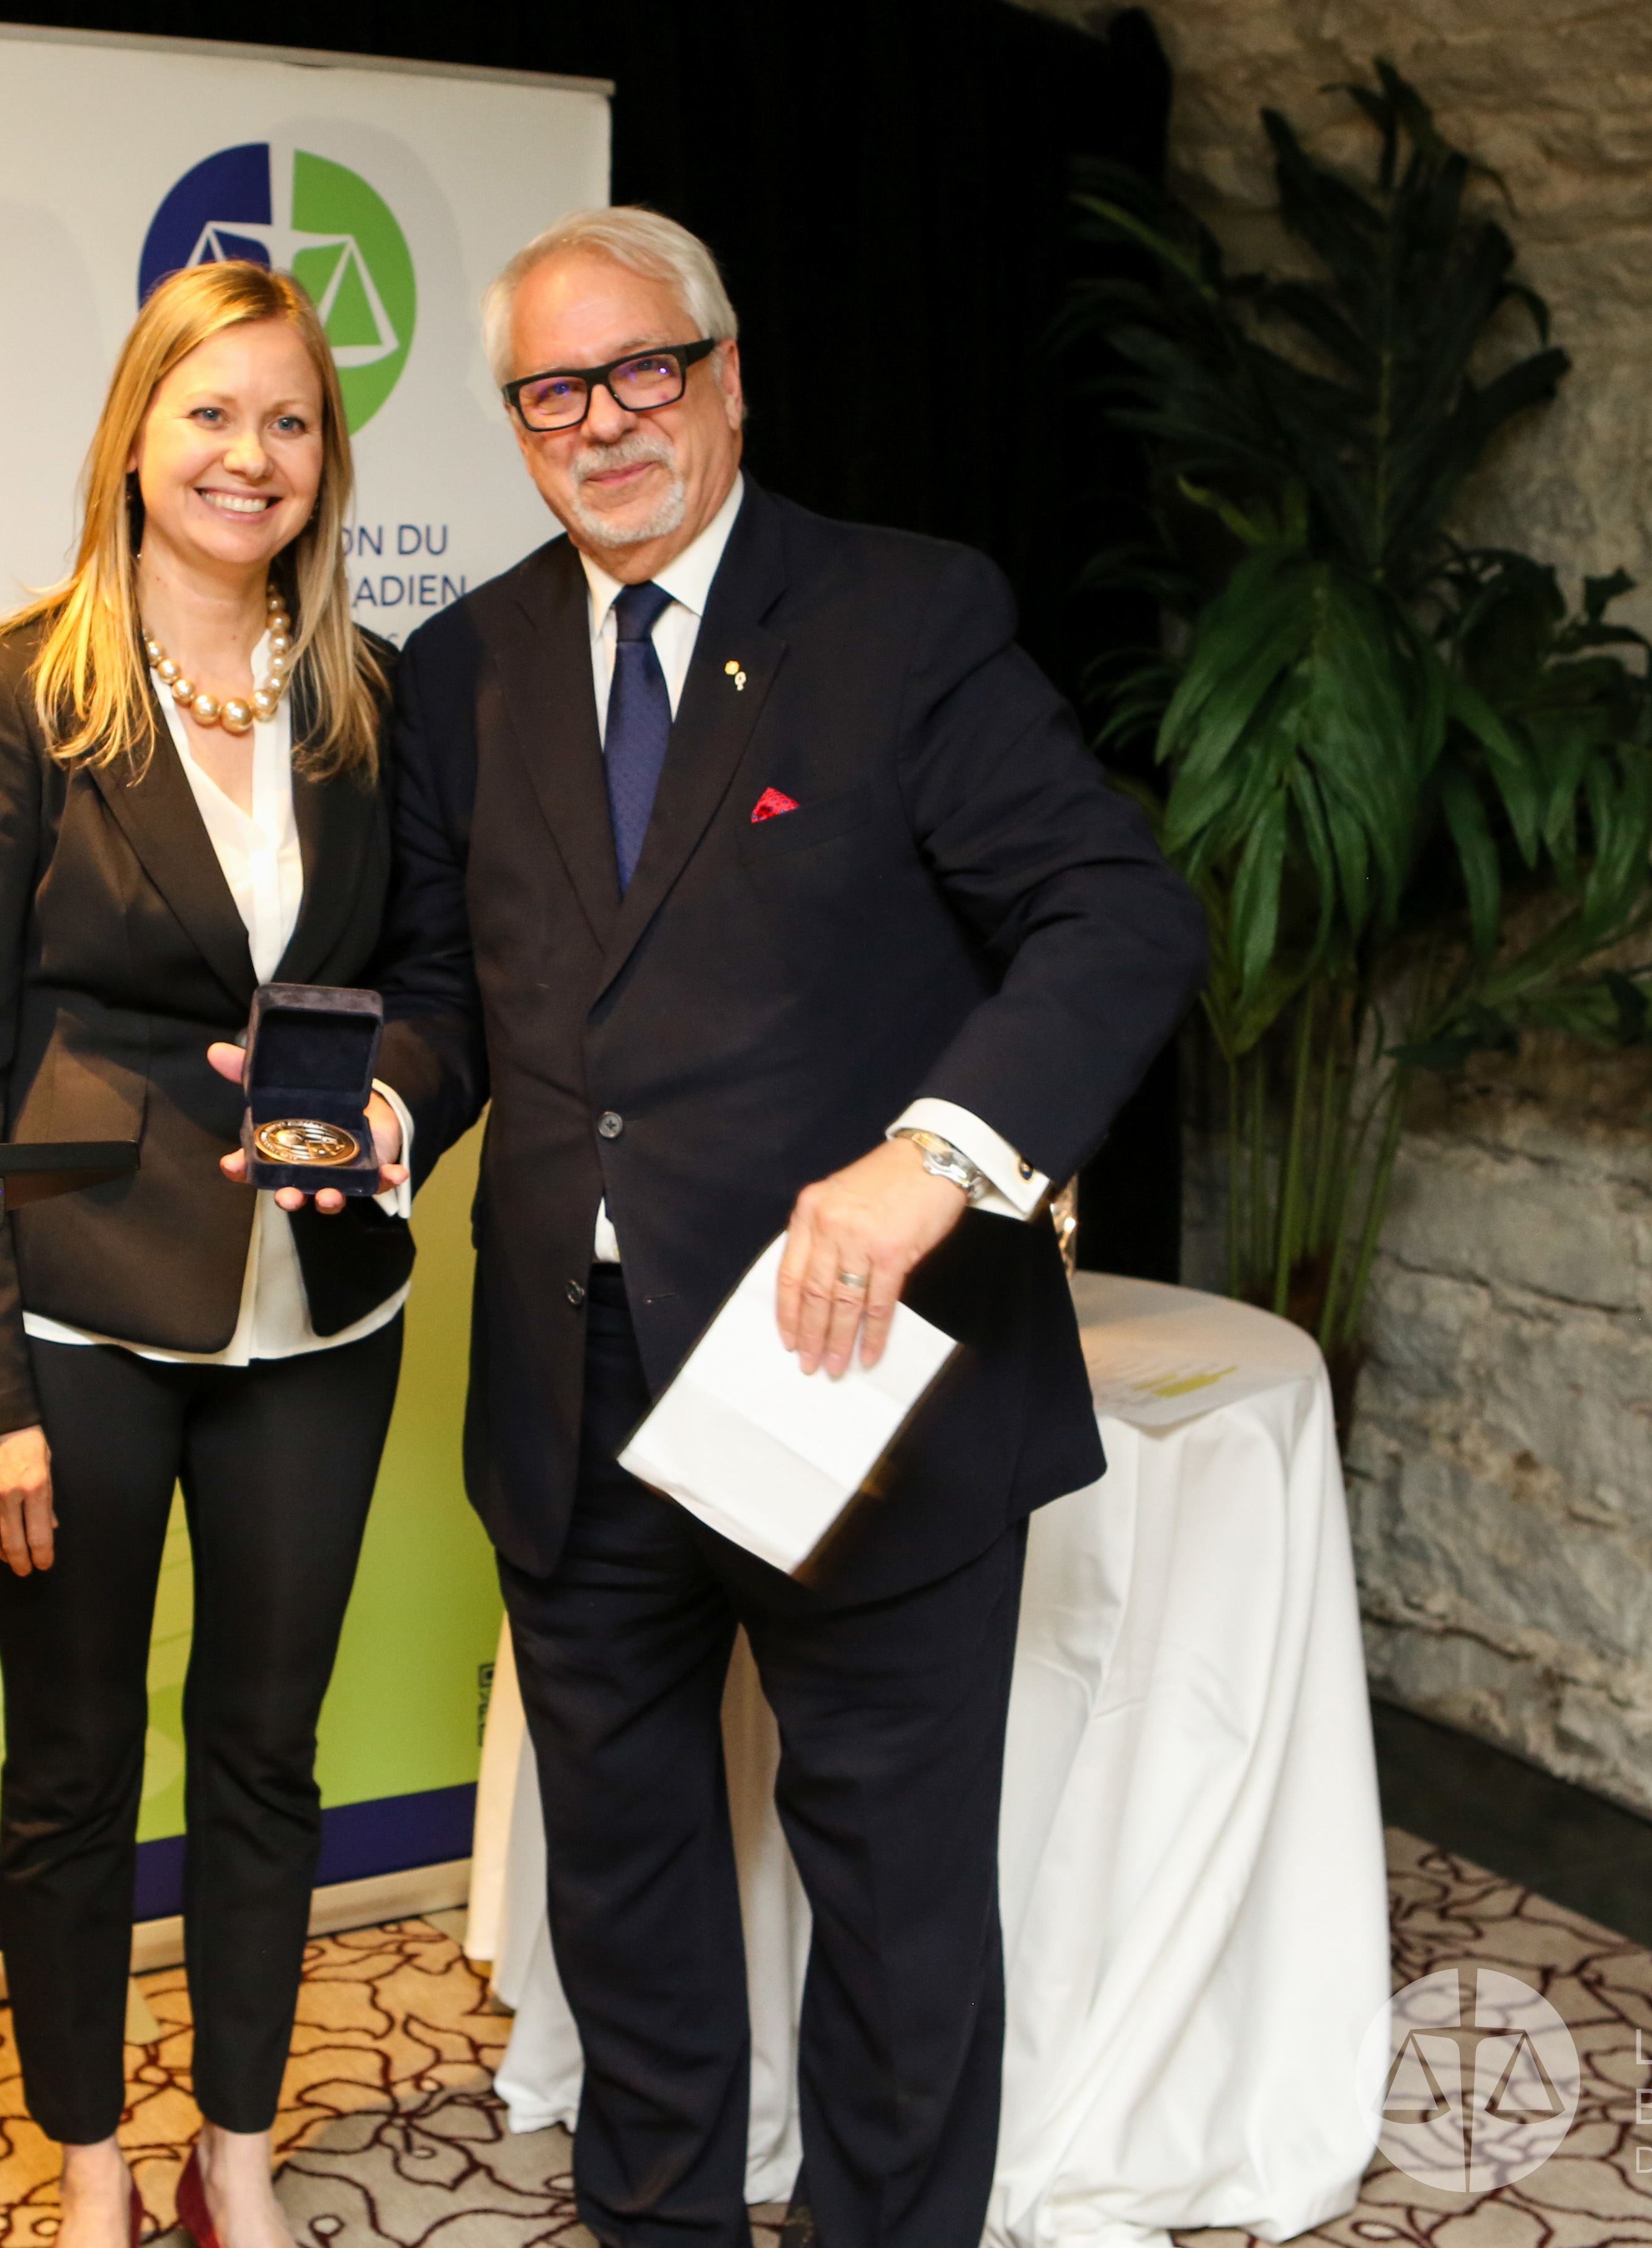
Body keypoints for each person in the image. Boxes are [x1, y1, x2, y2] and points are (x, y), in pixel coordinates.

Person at [366, 208, 1208, 2248]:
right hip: (577, 1399)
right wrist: (390, 1098)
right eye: (554, 391)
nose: (604, 422)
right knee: (633, 1896)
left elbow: (1119, 911)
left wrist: (942, 1155)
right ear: (516, 424)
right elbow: (442, 984)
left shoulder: (902, 618)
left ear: (728, 376)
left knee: (898, 1909)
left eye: (643, 369)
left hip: (858, 1379)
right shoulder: (467, 664)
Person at [0, 259, 415, 2248]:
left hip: (325, 1301)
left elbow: (434, 982)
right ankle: (92, 2167)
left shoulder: (371, 703)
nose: (250, 456)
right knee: (71, 1771)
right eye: (212, 413)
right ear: (135, 431)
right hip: (87, 1313)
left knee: (266, 1755)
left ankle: (232, 2155)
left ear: (326, 460)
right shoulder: (15, 684)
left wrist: (396, 1106)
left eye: (288, 420)